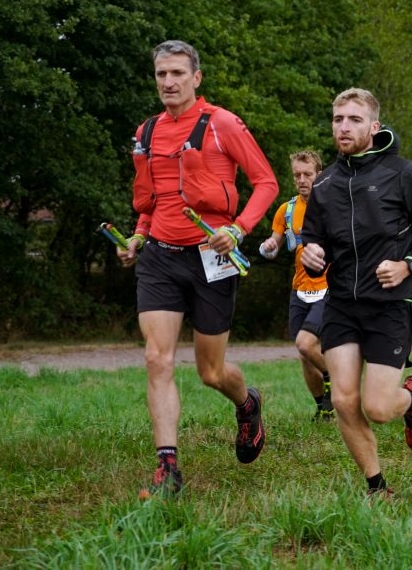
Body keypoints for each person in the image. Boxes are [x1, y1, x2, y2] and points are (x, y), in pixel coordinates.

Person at [117, 40, 279, 499]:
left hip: (214, 258)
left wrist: (240, 228)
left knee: (211, 372)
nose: (168, 82)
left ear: (196, 78)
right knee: (157, 357)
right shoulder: (146, 132)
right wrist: (137, 236)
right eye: (161, 75)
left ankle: (247, 404)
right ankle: (167, 468)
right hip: (160, 258)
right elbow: (152, 201)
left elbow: (266, 182)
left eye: (177, 74)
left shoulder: (221, 123)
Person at [300, 87, 412, 496]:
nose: (344, 127)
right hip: (341, 305)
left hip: (388, 304)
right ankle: (376, 486)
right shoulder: (326, 182)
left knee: (379, 408)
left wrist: (408, 265)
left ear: (374, 126)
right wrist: (311, 252)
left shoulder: (402, 173)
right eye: (337, 119)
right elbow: (313, 238)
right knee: (346, 402)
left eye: (354, 119)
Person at [260, 150, 334, 422]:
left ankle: (332, 378)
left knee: (306, 344)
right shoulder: (287, 210)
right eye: (297, 175)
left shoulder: (332, 205)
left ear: (319, 174)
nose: (302, 180)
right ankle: (323, 407)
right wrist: (268, 246)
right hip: (299, 289)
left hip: (328, 287)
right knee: (305, 355)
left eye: (308, 175)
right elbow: (274, 244)